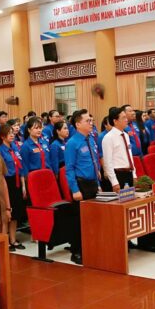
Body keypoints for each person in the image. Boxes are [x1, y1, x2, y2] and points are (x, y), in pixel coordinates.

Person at [64, 109, 102, 265]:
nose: (91, 123)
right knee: (79, 220)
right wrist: (75, 190)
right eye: (87, 121)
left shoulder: (91, 139)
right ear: (78, 124)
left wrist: (98, 184)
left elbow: (94, 162)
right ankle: (76, 251)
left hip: (93, 183)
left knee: (93, 218)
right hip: (81, 185)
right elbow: (69, 169)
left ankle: (91, 247)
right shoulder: (72, 143)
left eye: (91, 120)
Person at [0, 124, 26, 251]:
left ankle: (13, 240)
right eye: (9, 133)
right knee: (7, 213)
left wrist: (23, 185)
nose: (12, 135)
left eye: (13, 133)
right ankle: (5, 240)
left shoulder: (15, 148)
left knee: (16, 214)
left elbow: (21, 166)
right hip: (7, 183)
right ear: (3, 136)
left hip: (17, 181)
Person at [102, 107, 136, 191]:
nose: (126, 120)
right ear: (115, 121)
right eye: (123, 118)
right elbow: (108, 162)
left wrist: (134, 174)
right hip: (117, 175)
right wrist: (114, 182)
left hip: (129, 173)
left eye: (126, 117)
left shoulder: (126, 135)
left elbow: (130, 156)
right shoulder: (108, 138)